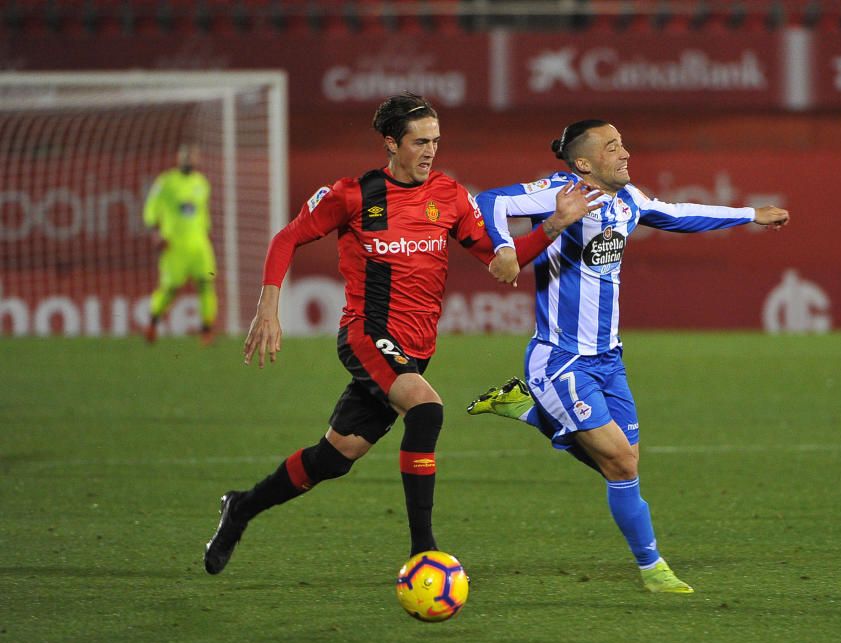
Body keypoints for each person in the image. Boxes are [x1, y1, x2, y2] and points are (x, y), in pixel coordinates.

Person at [203, 94, 602, 575]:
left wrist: (555, 224)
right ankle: (423, 552)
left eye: (435, 141)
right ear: (392, 143)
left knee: (335, 457)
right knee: (427, 408)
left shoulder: (451, 197)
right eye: (420, 142)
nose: (430, 151)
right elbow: (287, 237)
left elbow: (502, 265)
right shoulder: (353, 195)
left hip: (416, 349)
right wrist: (268, 305)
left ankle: (241, 507)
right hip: (367, 335)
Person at [467, 119, 789, 594]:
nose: (625, 153)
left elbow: (678, 213)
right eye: (612, 146)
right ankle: (653, 568)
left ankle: (527, 411)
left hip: (609, 360)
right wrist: (504, 248)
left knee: (626, 462)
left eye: (623, 144)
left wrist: (749, 215)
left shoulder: (628, 200)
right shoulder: (559, 191)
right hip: (560, 359)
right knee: (620, 463)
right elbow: (490, 201)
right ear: (584, 162)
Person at [143, 144, 218, 345]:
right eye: (186, 156)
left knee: (206, 284)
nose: (189, 159)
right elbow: (151, 207)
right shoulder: (166, 182)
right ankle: (152, 322)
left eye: (192, 156)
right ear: (179, 158)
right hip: (174, 245)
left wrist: (208, 231)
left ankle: (207, 330)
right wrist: (154, 232)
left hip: (199, 244)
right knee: (170, 288)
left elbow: (203, 212)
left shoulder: (202, 183)